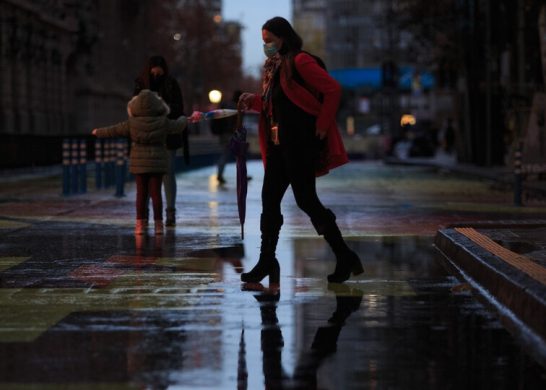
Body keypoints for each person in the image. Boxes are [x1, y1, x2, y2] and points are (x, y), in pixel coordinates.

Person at [237, 16, 363, 285]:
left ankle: (344, 255)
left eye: (269, 41)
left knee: (306, 200)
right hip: (278, 146)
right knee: (269, 201)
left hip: (299, 144)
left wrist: (321, 125)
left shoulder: (300, 61)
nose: (266, 46)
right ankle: (267, 261)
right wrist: (255, 101)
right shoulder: (274, 66)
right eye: (263, 42)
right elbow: (279, 104)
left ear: (283, 37)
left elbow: (332, 89)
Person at [92, 89, 189, 235]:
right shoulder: (163, 122)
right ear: (158, 105)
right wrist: (185, 118)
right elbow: (178, 126)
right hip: (158, 162)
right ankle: (158, 225)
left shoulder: (132, 123)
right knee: (156, 193)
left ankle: (140, 225)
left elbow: (114, 130)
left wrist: (98, 132)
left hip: (139, 163)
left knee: (141, 194)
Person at [134, 55, 186, 226]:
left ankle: (170, 211)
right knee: (150, 176)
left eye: (159, 70)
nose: (157, 73)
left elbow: (179, 108)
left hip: (168, 136)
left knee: (168, 174)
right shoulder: (141, 83)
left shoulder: (171, 83)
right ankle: (146, 212)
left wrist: (162, 112)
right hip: (148, 137)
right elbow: (134, 108)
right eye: (154, 70)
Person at [210, 90, 242, 184]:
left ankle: (221, 174)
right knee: (238, 154)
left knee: (226, 154)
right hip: (230, 134)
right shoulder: (235, 107)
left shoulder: (226, 105)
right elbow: (235, 123)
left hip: (223, 134)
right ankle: (240, 175)